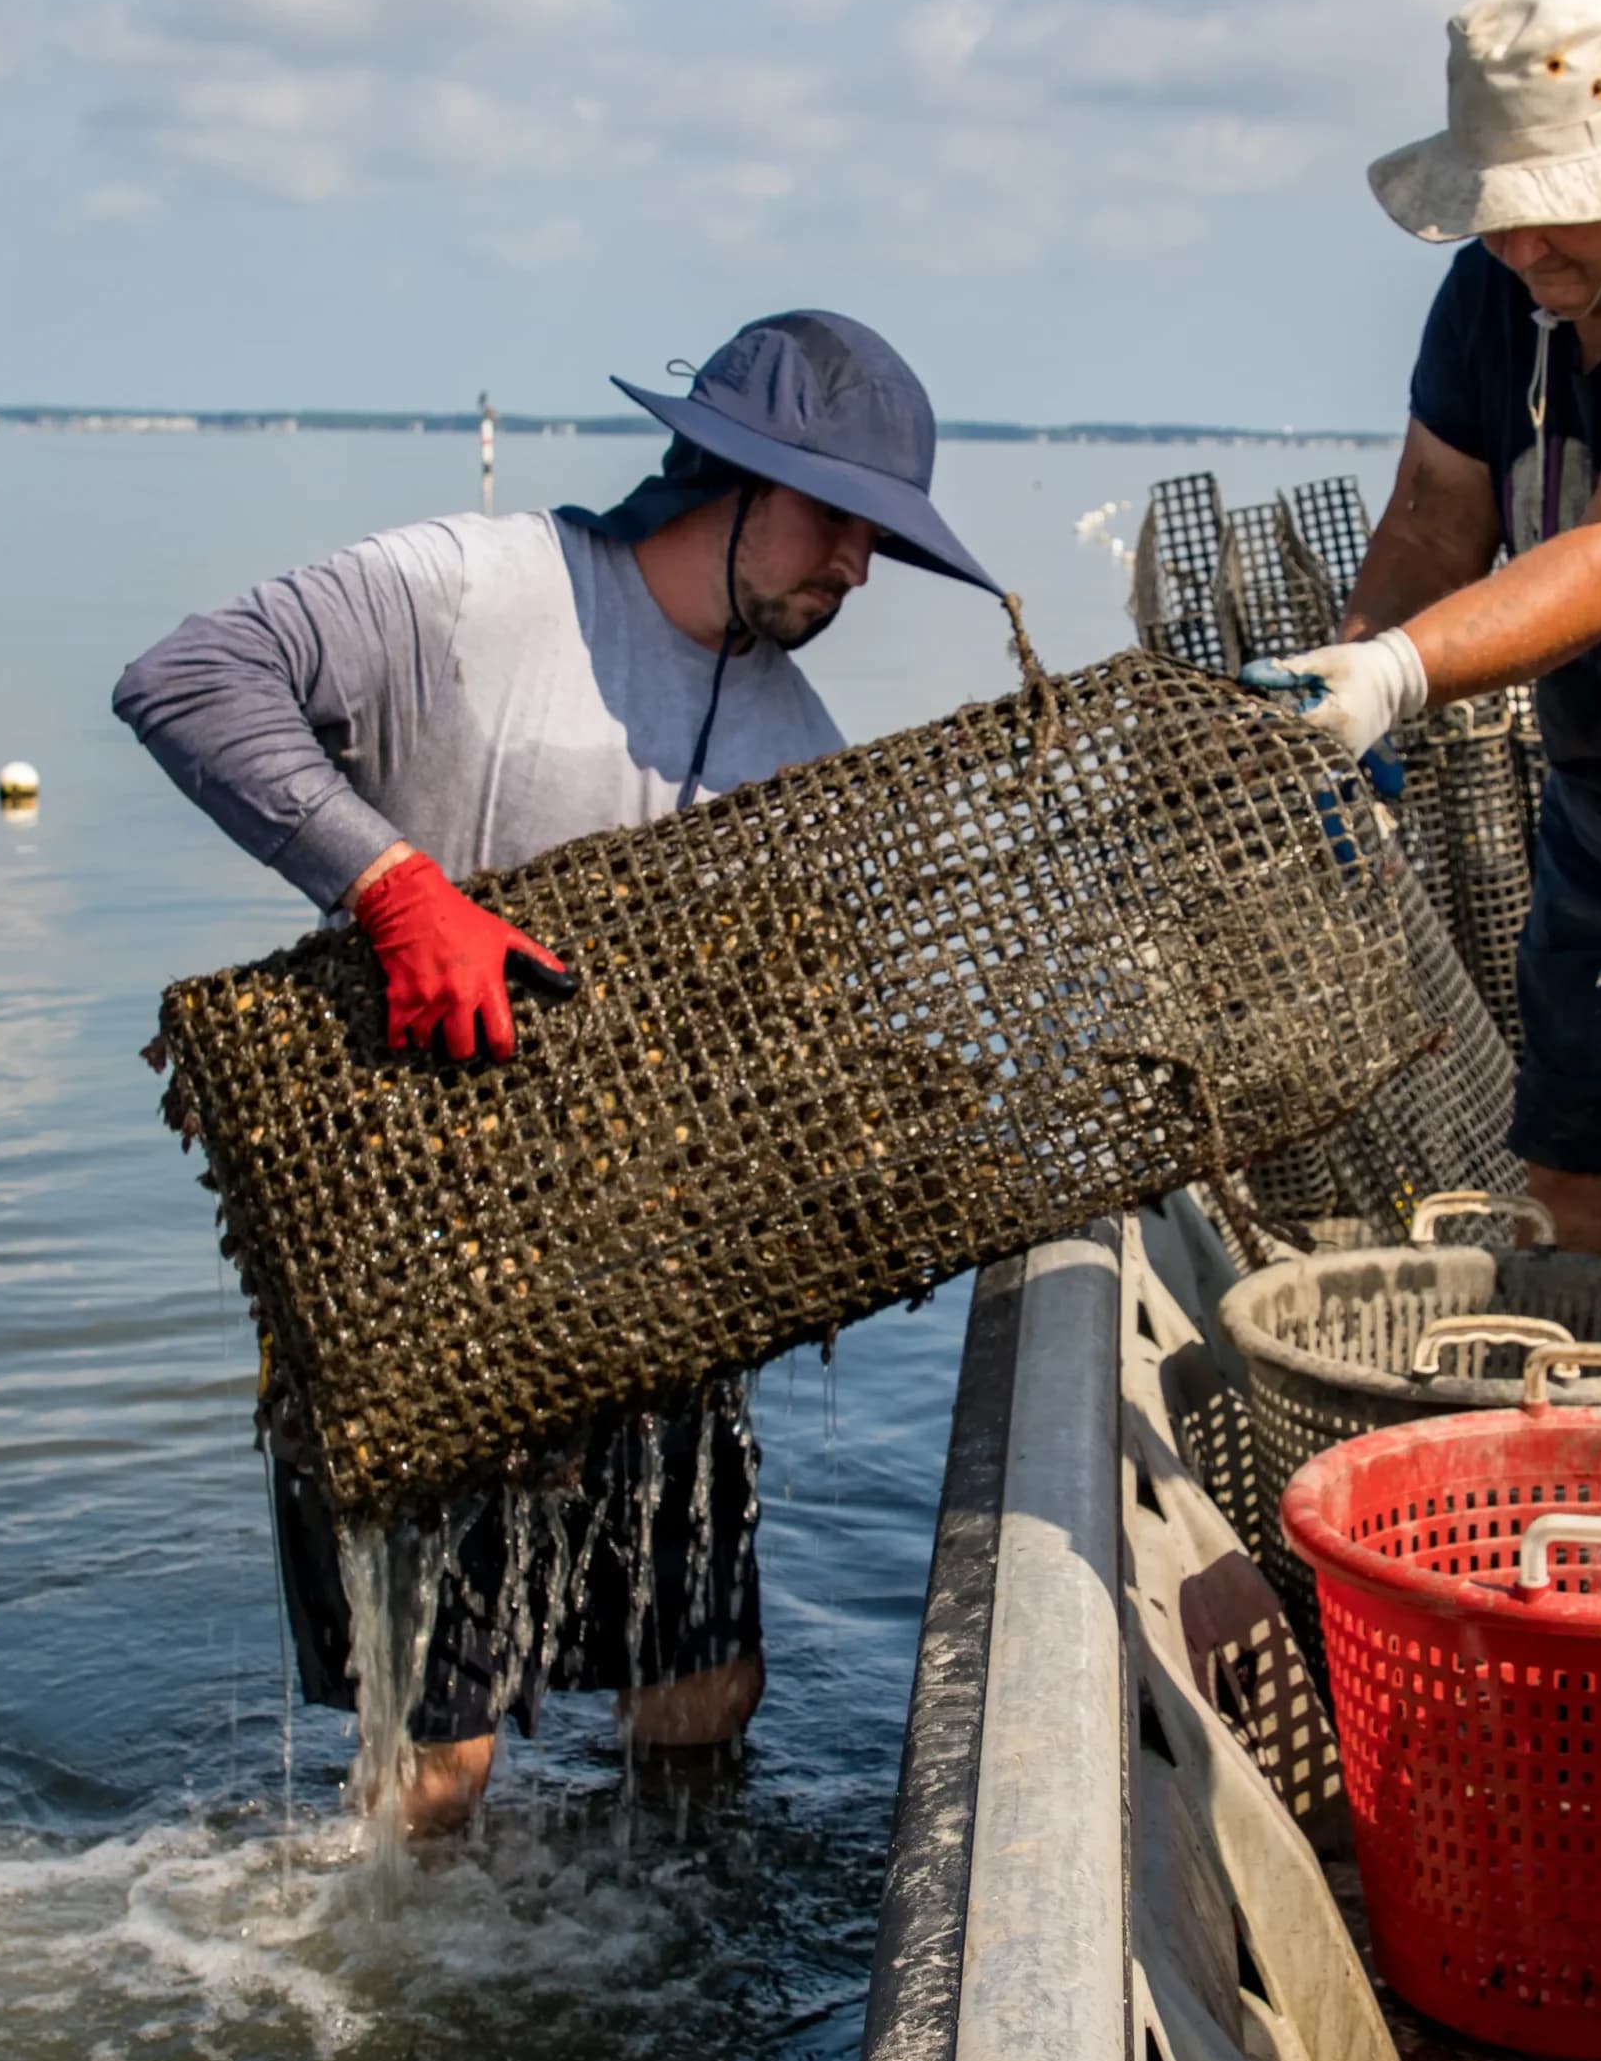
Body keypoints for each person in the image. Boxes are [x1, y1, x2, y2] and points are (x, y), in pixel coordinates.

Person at [113, 308, 1002, 1830]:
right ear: (726, 470)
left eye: (880, 542)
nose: (857, 567)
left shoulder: (799, 754)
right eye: (839, 522)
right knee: (439, 1771)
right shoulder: (474, 590)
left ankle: (656, 1947)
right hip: (411, 1282)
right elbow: (188, 678)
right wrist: (389, 885)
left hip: (647, 1292)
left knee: (705, 1701)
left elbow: (810, 1044)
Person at [1244, 0, 1601, 1418]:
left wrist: (1399, 673)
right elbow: (1437, 516)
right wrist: (1344, 668)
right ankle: (1577, 1535)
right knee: (1570, 1214)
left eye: (1554, 206)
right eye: (1499, 211)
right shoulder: (1500, 285)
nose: (1523, 246)